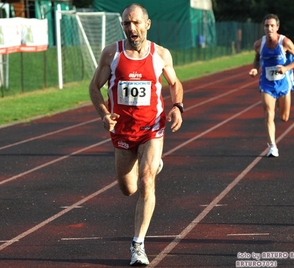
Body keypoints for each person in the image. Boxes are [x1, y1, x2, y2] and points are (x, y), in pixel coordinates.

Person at [89, 3, 184, 266]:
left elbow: (175, 84)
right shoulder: (112, 54)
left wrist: (177, 107)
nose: (131, 28)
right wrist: (104, 114)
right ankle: (153, 166)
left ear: (147, 24)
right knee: (128, 188)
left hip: (152, 128)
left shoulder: (160, 54)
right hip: (122, 131)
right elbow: (94, 88)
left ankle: (138, 244)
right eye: (126, 24)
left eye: (136, 23)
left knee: (146, 180)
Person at [249, 14, 294, 157]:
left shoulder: (285, 42)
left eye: (272, 25)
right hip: (267, 83)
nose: (269, 28)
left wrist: (286, 68)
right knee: (269, 114)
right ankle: (272, 147)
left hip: (283, 83)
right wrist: (255, 68)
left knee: (284, 117)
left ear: (277, 27)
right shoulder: (258, 44)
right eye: (267, 25)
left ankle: (279, 103)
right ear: (264, 27)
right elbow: (256, 58)